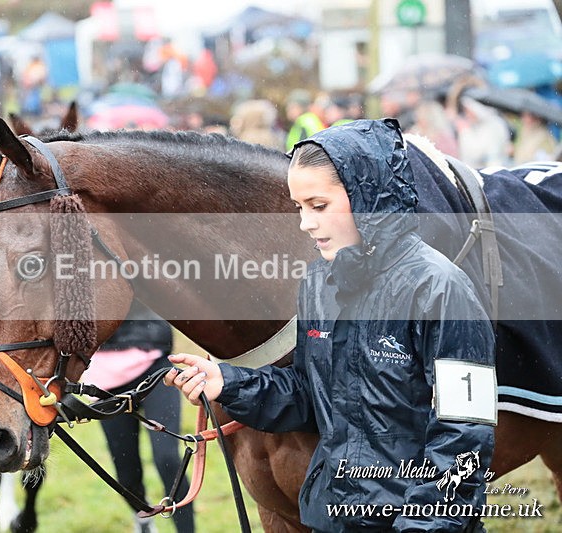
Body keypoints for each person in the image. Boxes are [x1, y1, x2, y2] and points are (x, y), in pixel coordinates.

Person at [165, 118, 496, 532]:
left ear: (367, 198)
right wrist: (228, 383)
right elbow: (310, 395)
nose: (305, 223)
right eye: (299, 208)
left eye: (318, 206)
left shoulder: (440, 290)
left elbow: (464, 437)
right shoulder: (319, 282)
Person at [82, 300, 195, 533]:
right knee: (126, 472)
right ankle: (142, 520)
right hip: (106, 382)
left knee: (168, 458)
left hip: (154, 365)